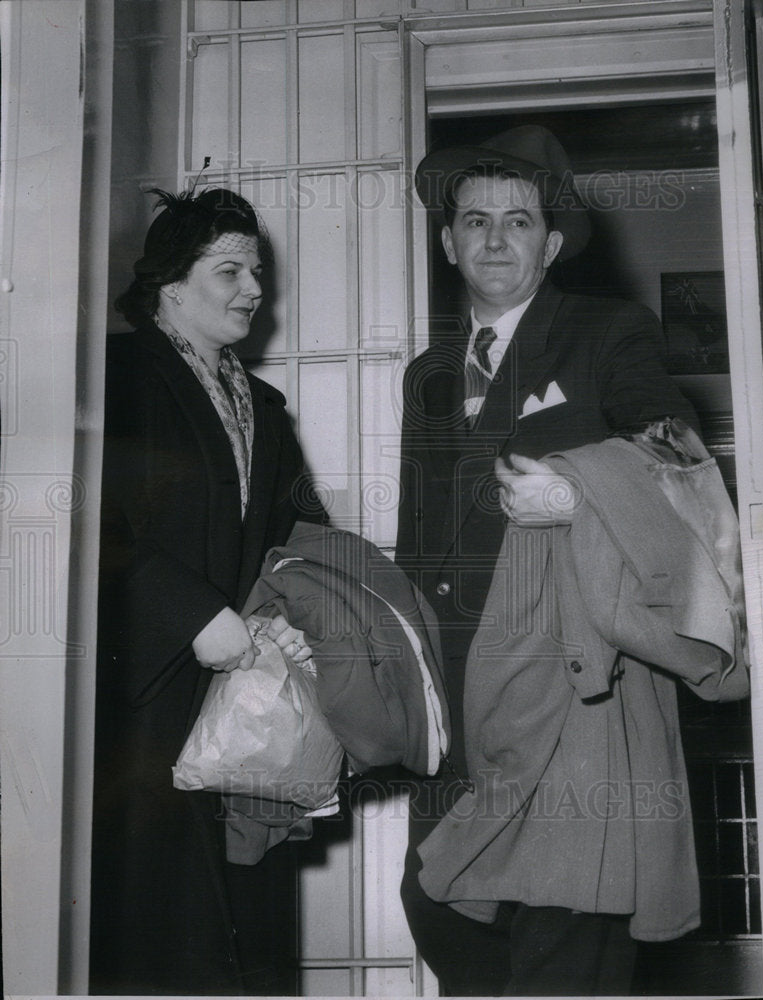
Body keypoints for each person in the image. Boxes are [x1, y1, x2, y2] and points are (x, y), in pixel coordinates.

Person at [394, 125, 703, 995]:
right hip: (458, 701)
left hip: (573, 690)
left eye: (519, 221)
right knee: (438, 901)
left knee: (565, 941)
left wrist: (581, 494)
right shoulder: (427, 374)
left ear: (552, 243)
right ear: (449, 241)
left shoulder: (611, 334)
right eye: (477, 220)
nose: (496, 238)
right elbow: (424, 544)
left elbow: (678, 458)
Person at [90, 187, 323, 995]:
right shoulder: (115, 377)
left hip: (250, 697)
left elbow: (304, 536)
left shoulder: (262, 405)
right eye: (230, 271)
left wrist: (295, 618)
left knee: (245, 918)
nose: (254, 290)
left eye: (256, 271)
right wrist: (192, 614)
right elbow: (88, 524)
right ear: (170, 285)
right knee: (160, 924)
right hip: (146, 698)